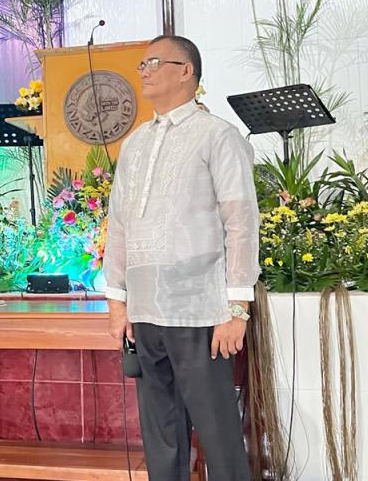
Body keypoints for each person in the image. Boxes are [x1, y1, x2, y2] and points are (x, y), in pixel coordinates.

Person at [104, 35, 260, 481]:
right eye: (142, 64)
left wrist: (236, 308)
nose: (144, 71)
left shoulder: (217, 136)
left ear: (186, 71)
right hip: (147, 311)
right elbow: (119, 225)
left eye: (154, 62)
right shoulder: (134, 145)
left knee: (219, 433)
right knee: (161, 435)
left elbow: (241, 222)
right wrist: (118, 301)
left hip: (200, 310)